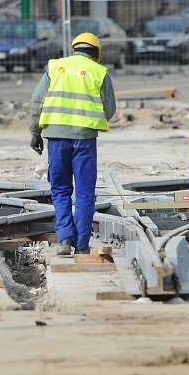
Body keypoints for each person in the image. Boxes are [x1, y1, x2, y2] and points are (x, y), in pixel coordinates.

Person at [29, 32, 117, 256]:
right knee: (85, 192)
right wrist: (89, 120)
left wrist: (35, 133)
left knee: (60, 189)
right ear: (97, 54)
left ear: (74, 48)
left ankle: (65, 239)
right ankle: (83, 245)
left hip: (56, 139)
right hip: (85, 140)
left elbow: (37, 102)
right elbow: (110, 110)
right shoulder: (99, 72)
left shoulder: (55, 67)